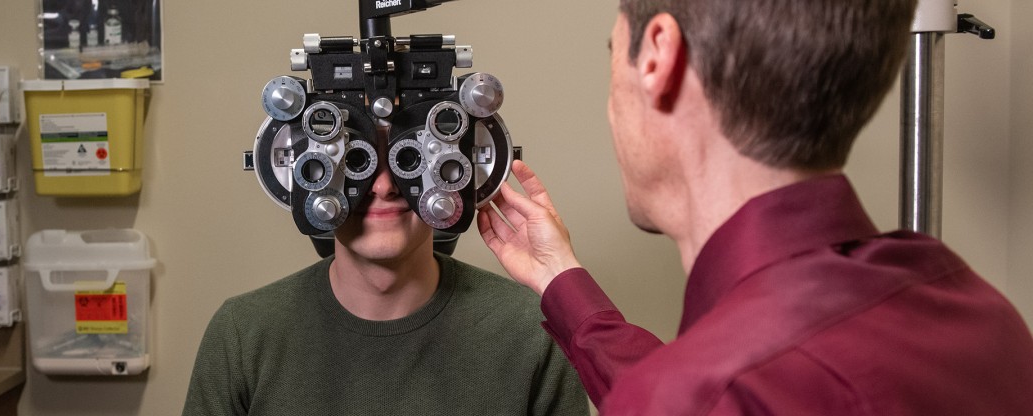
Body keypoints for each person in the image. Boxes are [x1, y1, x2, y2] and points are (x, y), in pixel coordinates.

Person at [477, 0, 1033, 414]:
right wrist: (562, 280)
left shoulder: (705, 393)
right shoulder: (987, 320)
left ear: (659, 61)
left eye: (614, 55)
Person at [184, 151, 588, 415]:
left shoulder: (530, 329)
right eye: (355, 159)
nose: (382, 185)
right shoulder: (243, 333)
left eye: (407, 157)